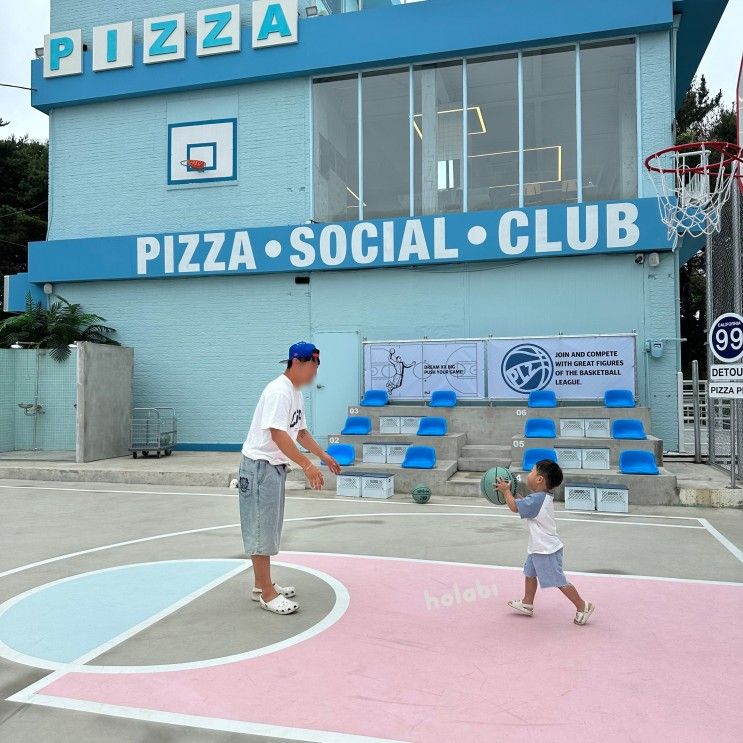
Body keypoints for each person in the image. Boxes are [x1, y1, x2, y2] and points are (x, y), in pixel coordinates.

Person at [239, 341, 341, 615]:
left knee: (268, 529)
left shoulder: (295, 393)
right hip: (259, 467)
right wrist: (307, 465)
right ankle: (267, 595)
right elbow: (278, 434)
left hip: (273, 467)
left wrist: (324, 456)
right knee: (261, 529)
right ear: (296, 362)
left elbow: (301, 433)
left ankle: (262, 586)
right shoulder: (278, 392)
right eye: (312, 368)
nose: (314, 375)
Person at [496, 459, 595, 625]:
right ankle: (527, 602)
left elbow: (514, 507)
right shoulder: (540, 498)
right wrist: (513, 495)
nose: (530, 474)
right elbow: (523, 504)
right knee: (529, 572)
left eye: (532, 471)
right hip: (538, 547)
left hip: (546, 550)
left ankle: (582, 605)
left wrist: (506, 491)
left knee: (558, 581)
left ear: (539, 479)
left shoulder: (537, 500)